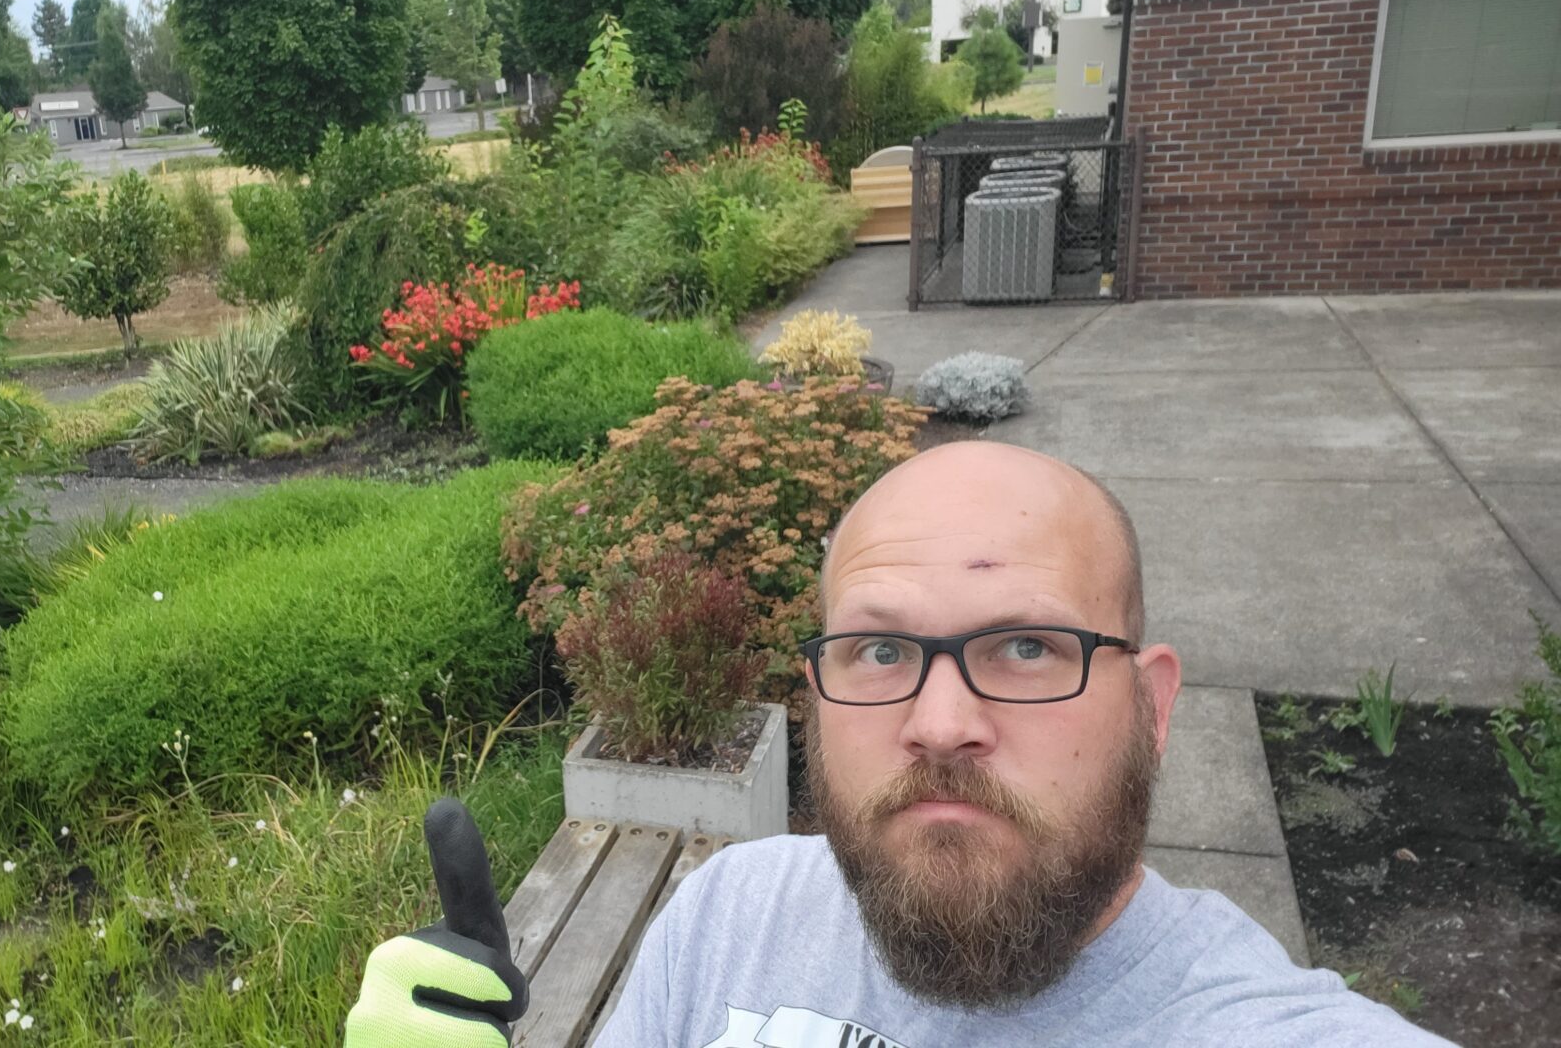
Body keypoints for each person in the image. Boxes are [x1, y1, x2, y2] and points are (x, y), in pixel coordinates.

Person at [345, 442, 1451, 1047]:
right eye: (878, 652)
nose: (939, 722)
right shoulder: (731, 914)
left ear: (1152, 709)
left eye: (1026, 645)